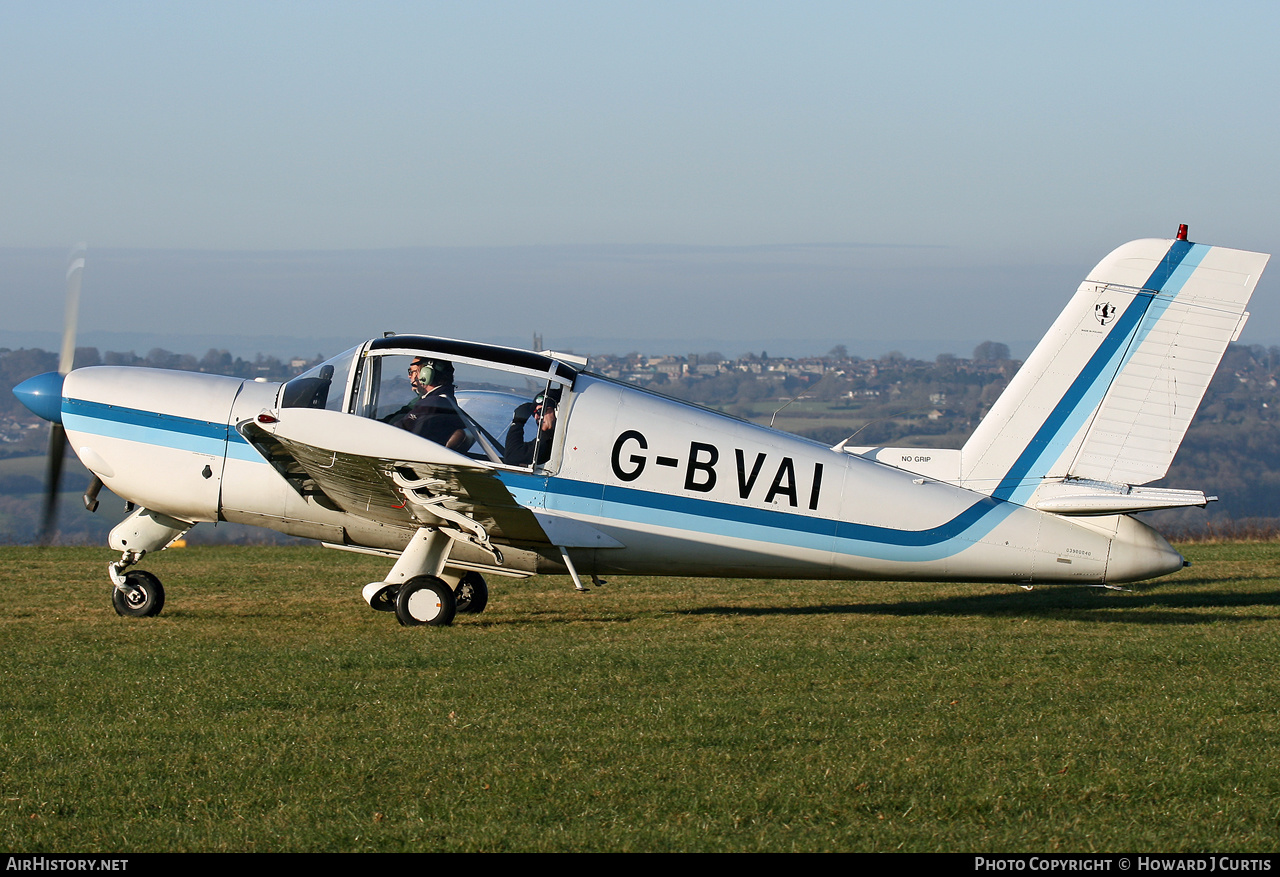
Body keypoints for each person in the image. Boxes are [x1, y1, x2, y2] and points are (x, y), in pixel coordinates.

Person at [394, 357, 469, 451]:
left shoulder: (431, 405)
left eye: (412, 371)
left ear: (426, 375)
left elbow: (397, 433)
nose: (410, 376)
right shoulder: (444, 401)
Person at [504, 390, 558, 465]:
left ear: (556, 412)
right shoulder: (550, 438)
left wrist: (518, 422)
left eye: (541, 411)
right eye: (534, 413)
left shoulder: (551, 441)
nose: (536, 417)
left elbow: (513, 456)